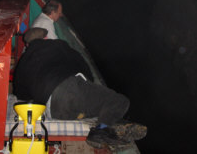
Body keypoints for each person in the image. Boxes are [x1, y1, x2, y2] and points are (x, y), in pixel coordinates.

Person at [13, 28, 146, 149]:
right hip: (69, 90)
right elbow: (81, 62)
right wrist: (88, 83)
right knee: (119, 101)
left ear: (27, 45)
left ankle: (111, 128)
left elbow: (20, 95)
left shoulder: (23, 62)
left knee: (95, 108)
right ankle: (101, 131)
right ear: (46, 38)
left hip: (53, 111)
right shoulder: (57, 44)